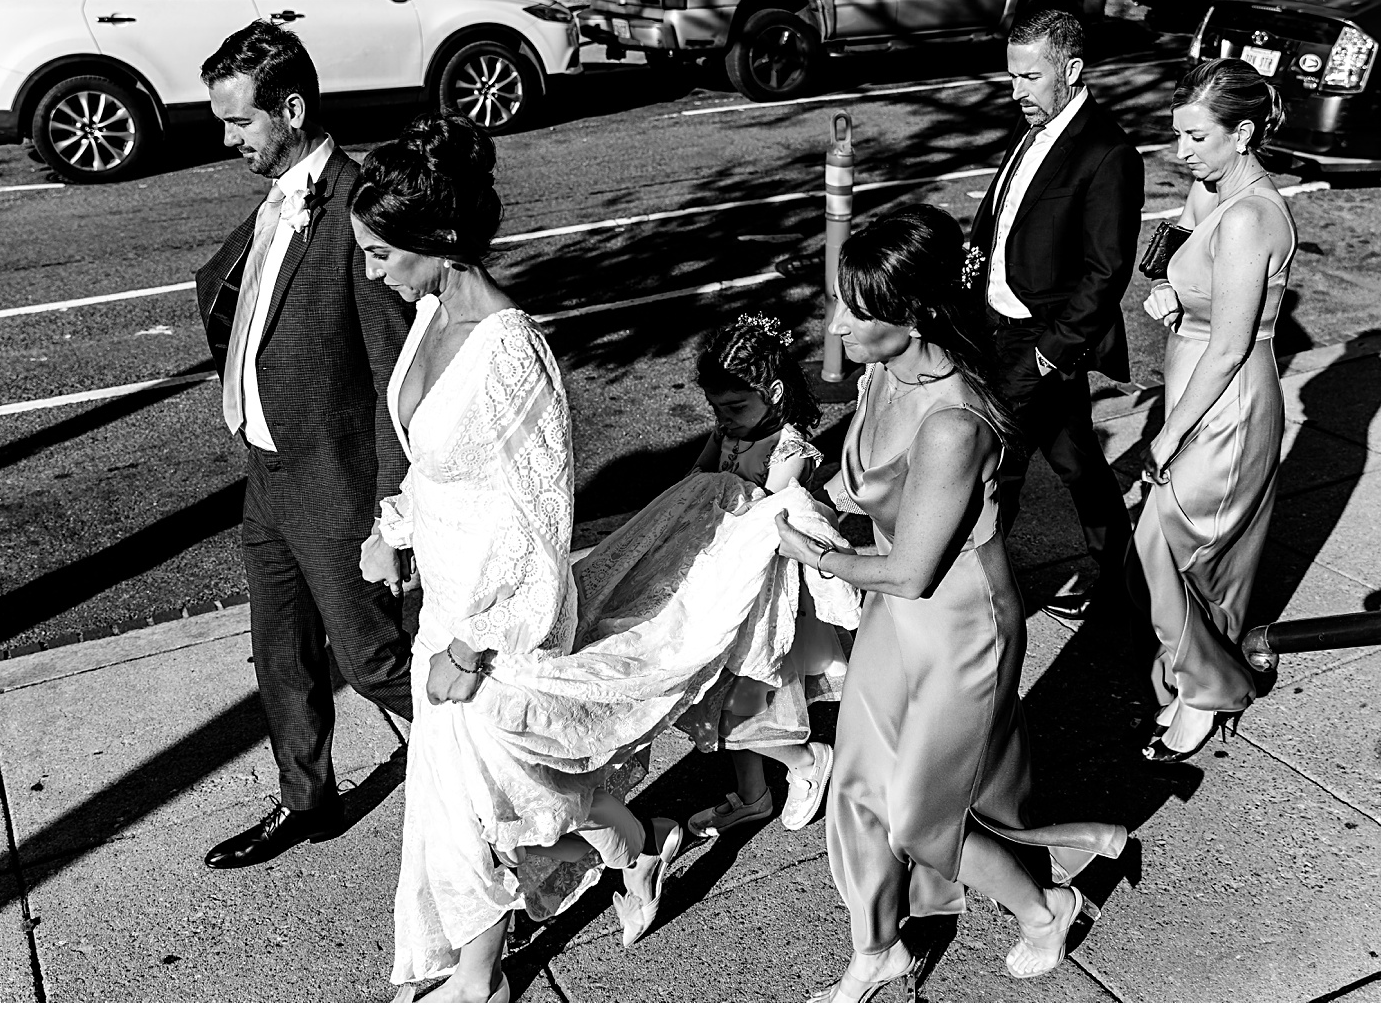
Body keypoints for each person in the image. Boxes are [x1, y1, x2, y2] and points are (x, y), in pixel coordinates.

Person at [352, 119, 685, 1002]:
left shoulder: (510, 354)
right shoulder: (426, 312)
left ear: (441, 244)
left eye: (382, 252)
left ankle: (477, 978)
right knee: (515, 800)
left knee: (479, 808)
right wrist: (395, 529)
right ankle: (641, 848)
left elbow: (534, 524)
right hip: (448, 604)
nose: (372, 268)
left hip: (498, 621)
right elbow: (435, 466)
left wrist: (475, 648)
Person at [774, 208, 1126, 1000]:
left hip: (961, 618)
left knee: (922, 818)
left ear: (914, 315)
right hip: (898, 614)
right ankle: (877, 948)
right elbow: (860, 482)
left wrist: (813, 552)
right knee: (860, 782)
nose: (837, 326)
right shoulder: (882, 370)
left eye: (856, 313)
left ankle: (1046, 908)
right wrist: (798, 487)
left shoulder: (953, 423)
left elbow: (906, 569)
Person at [193, 21, 413, 872]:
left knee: (375, 661)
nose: (227, 140)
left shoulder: (357, 210)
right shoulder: (279, 195)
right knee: (282, 655)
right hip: (266, 473)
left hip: (337, 485)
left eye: (239, 123)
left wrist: (389, 520)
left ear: (289, 109)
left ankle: (493, 762)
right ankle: (307, 802)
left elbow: (398, 381)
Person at [1136, 59, 1297, 763]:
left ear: (1244, 133)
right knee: (1197, 555)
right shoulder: (1213, 191)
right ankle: (1199, 671)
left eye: (1197, 137)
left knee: (1165, 540)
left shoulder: (1252, 217)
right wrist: (1174, 298)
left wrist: (1168, 435)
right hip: (1195, 385)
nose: (1181, 152)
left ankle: (1208, 689)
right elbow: (1180, 254)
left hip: (1226, 406)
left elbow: (1230, 347)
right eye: (1178, 135)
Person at [965, 8, 1142, 623]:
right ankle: (1130, 584)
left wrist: (1050, 351)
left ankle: (972, 594)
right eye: (1011, 77)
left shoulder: (1108, 152)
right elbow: (999, 225)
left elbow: (1105, 270)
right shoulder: (1031, 130)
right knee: (1077, 462)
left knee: (990, 461)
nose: (1017, 92)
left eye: (1030, 78)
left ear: (1070, 69)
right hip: (994, 331)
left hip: (1039, 343)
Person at [683, 311, 841, 841]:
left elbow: (765, 515)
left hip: (764, 597)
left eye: (734, 406)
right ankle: (753, 797)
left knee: (742, 703)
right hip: (724, 582)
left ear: (773, 391)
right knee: (720, 694)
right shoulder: (730, 434)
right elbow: (697, 479)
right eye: (717, 408)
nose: (723, 419)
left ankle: (806, 760)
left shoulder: (788, 448)